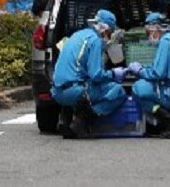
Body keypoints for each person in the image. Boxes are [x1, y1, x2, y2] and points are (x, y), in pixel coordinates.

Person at [51, 9, 128, 138]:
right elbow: (96, 75)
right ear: (105, 30)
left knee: (84, 82)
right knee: (118, 91)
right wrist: (113, 74)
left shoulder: (77, 35)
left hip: (56, 91)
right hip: (75, 91)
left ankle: (67, 118)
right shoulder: (95, 41)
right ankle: (84, 119)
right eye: (110, 33)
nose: (109, 38)